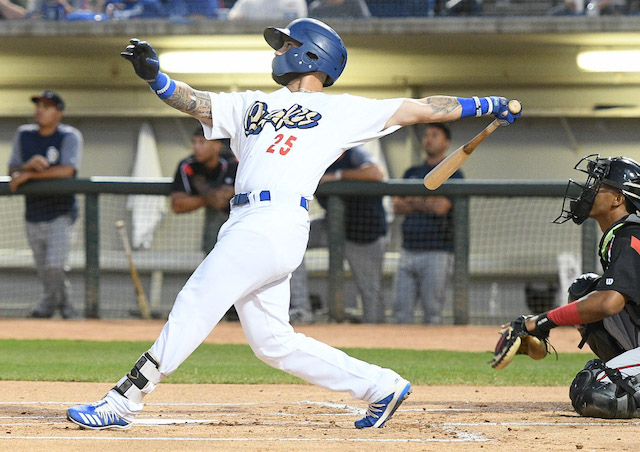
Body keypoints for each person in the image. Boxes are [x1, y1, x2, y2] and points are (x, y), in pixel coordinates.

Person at [66, 18, 519, 430]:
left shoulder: (343, 111)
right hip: (246, 222)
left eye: (286, 43)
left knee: (197, 300)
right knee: (273, 343)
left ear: (312, 52)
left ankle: (124, 399)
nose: (279, 49)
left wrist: (490, 102)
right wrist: (155, 78)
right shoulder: (251, 103)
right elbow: (196, 103)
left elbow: (423, 108)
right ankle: (382, 386)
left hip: (275, 220)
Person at [493, 155, 640, 419]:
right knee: (584, 289)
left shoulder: (632, 236)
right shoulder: (621, 235)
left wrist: (542, 321)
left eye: (598, 185)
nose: (589, 190)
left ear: (618, 199)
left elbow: (609, 303)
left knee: (595, 393)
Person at [289, 145, 388, 324]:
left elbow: (377, 173)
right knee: (292, 237)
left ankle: (376, 335)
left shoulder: (354, 153)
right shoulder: (317, 159)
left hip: (364, 234)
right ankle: (301, 310)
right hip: (333, 225)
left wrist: (337, 176)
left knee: (370, 292)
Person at [8, 90, 83, 319]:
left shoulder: (69, 135)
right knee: (44, 270)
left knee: (55, 266)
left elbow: (68, 170)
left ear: (58, 113)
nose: (40, 110)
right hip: (33, 212)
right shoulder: (24, 134)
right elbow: (12, 171)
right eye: (38, 105)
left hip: (61, 213)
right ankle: (61, 307)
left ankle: (51, 308)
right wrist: (28, 166)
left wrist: (29, 175)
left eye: (47, 106)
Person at [392, 123, 462, 325]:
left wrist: (412, 201)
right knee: (400, 312)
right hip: (408, 249)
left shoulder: (453, 172)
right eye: (426, 135)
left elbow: (441, 207)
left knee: (432, 312)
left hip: (437, 252)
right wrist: (426, 202)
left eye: (434, 135)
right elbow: (397, 205)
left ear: (446, 142)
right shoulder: (412, 171)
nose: (428, 139)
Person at [170, 127, 237, 255]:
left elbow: (220, 201)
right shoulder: (188, 165)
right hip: (213, 228)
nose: (196, 147)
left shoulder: (232, 163)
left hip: (238, 222)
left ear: (217, 146)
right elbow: (177, 205)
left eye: (202, 142)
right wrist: (211, 196)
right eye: (194, 142)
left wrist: (201, 186)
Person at [227, 0, 307, 20]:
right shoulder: (248, 2)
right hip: (254, 41)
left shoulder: (296, 1)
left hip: (287, 43)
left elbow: (301, 25)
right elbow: (231, 18)